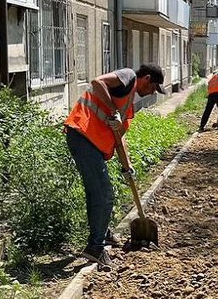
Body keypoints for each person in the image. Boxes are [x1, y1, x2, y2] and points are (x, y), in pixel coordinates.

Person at [64, 64, 166, 270]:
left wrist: (127, 166)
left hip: (89, 141)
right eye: (153, 87)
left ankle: (102, 233)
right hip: (82, 134)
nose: (152, 93)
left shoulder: (127, 103)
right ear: (146, 78)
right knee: (104, 194)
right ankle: (95, 247)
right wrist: (113, 112)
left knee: (97, 193)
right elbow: (97, 82)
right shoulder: (128, 76)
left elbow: (119, 138)